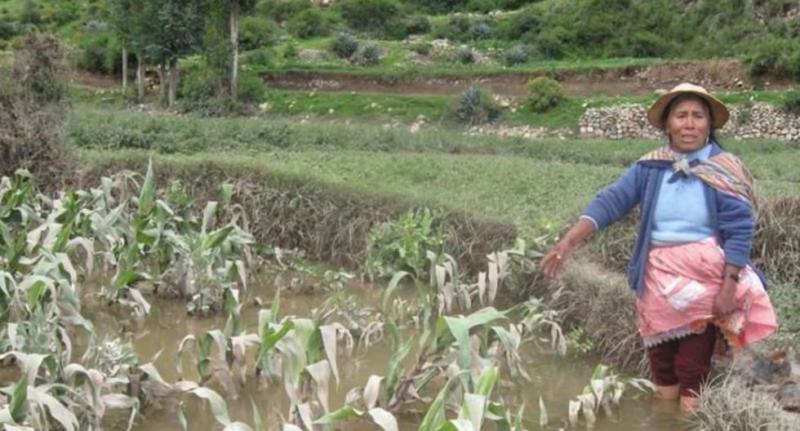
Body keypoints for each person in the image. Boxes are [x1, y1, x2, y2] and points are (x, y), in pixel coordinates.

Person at [540, 83, 778, 413]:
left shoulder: (723, 169)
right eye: (681, 116)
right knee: (662, 363)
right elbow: (611, 201)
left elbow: (739, 229)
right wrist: (568, 240)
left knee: (692, 368)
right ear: (668, 125)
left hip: (705, 277)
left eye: (698, 116)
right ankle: (662, 417)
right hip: (657, 278)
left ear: (710, 124)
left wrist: (729, 285)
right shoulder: (651, 167)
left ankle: (688, 415)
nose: (690, 123)